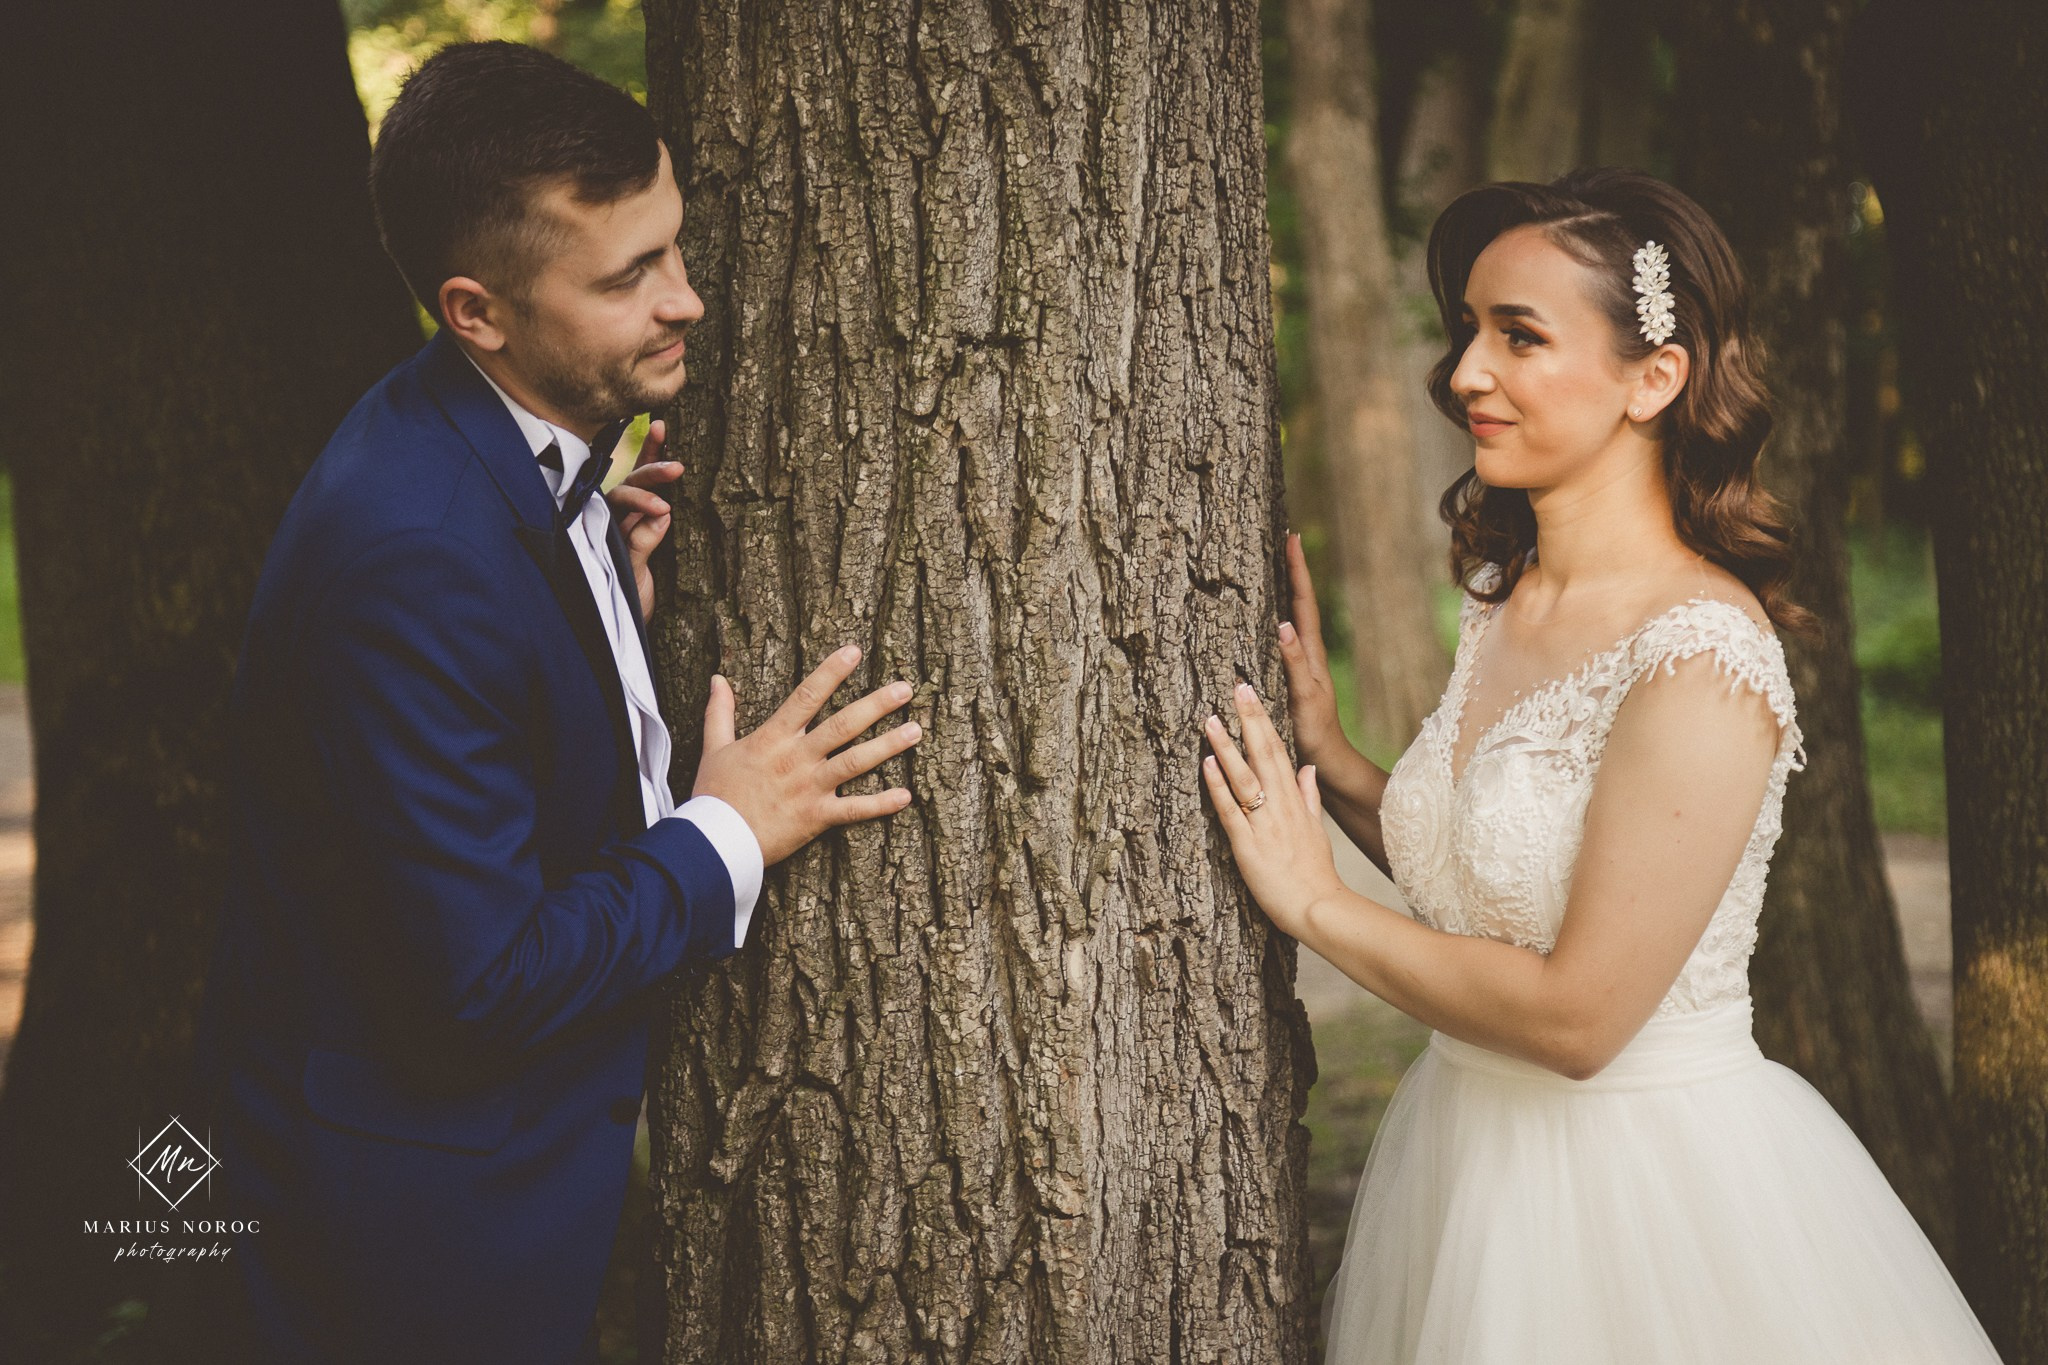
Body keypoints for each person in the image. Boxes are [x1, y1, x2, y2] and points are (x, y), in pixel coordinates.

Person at [191, 42, 922, 1364]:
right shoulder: (414, 552)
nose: (688, 299)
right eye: (629, 276)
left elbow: (491, 695)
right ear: (479, 312)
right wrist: (729, 831)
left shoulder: (492, 453)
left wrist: (591, 598)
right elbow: (481, 983)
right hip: (420, 1235)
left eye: (675, 248)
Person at [1198, 168, 2002, 1363]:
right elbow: (1492, 881)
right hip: (1466, 1161)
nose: (1466, 372)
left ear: (1653, 377)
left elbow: (1578, 1017)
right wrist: (1338, 765)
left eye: (1518, 336)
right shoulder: (1509, 600)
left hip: (1640, 1198)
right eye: (1467, 329)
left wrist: (1311, 904)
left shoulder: (1701, 655)